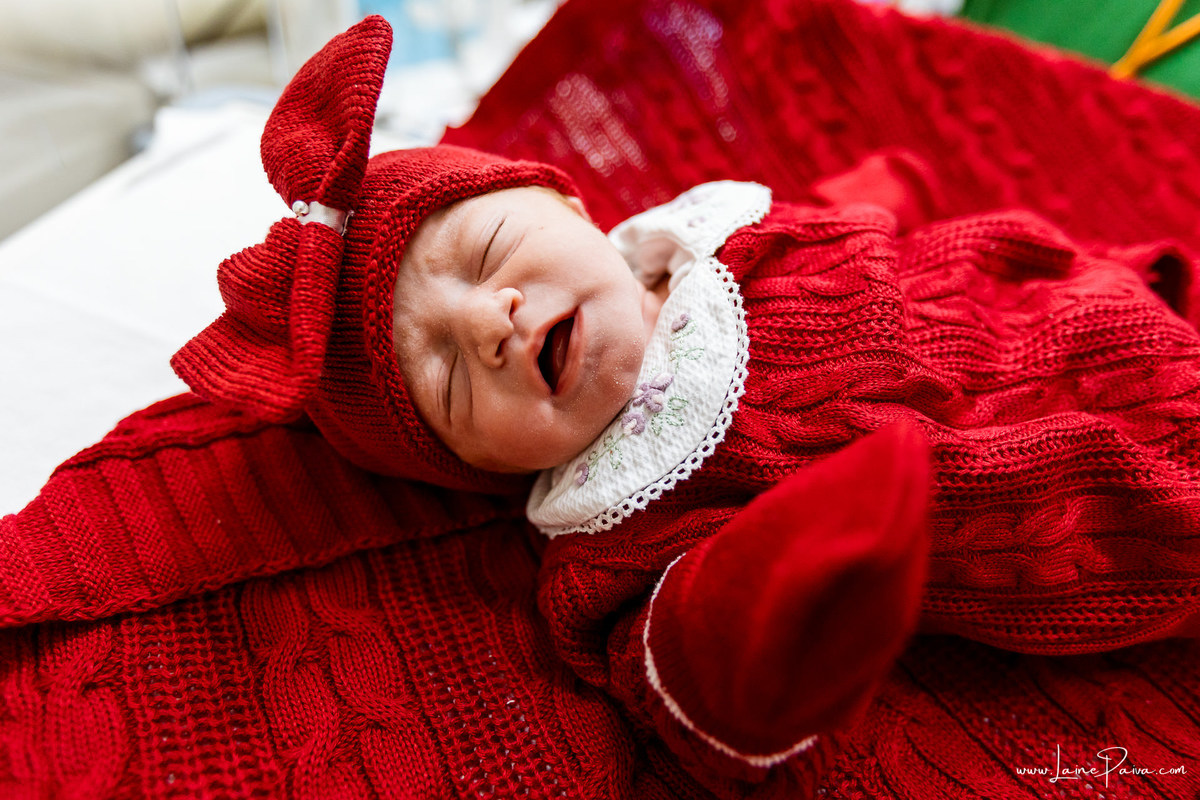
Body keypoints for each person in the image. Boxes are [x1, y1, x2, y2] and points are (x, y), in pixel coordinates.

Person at [172, 13, 1200, 796]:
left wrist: (892, 187)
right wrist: (788, 575)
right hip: (1097, 500)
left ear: (572, 200)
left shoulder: (708, 231)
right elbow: (695, 690)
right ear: (482, 467)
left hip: (1085, 296)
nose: (489, 324)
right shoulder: (621, 519)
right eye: (445, 378)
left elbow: (849, 217)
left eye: (486, 255)